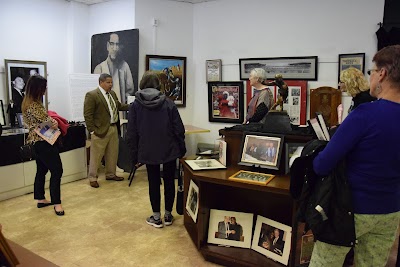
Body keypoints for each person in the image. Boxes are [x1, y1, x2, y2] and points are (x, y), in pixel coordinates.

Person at [309, 45, 400, 266]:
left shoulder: (365, 115)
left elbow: (322, 164)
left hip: (349, 210)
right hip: (390, 211)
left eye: (371, 72)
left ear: (382, 74)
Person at [126, 71, 186, 228]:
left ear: (142, 84)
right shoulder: (169, 103)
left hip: (147, 149)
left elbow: (131, 134)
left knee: (153, 182)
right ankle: (168, 215)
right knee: (169, 181)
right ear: (158, 84)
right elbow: (178, 129)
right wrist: (182, 149)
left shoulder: (135, 106)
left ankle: (156, 217)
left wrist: (135, 156)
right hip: (169, 149)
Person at [21, 75, 64, 216]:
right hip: (43, 141)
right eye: (44, 87)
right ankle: (57, 203)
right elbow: (48, 120)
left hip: (36, 142)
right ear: (37, 88)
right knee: (57, 170)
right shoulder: (34, 105)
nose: (45, 90)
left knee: (42, 170)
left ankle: (40, 198)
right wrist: (54, 121)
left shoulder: (27, 102)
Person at [83, 73, 129, 188]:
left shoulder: (112, 94)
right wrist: (92, 131)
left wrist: (133, 106)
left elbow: (118, 106)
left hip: (113, 128)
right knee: (96, 156)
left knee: (112, 153)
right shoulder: (92, 95)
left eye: (111, 82)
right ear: (101, 82)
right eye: (108, 82)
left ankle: (110, 174)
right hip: (100, 131)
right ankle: (93, 177)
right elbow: (88, 115)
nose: (110, 84)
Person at [93, 32, 134, 104]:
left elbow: (130, 90)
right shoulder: (99, 69)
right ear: (107, 46)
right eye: (112, 44)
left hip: (120, 111)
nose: (115, 48)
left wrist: (123, 101)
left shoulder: (124, 66)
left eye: (117, 44)